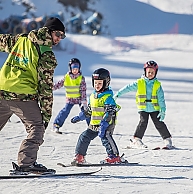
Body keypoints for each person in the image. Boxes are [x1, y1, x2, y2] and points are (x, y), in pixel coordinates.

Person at [0, 17, 66, 173]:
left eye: (62, 36)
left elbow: (2, 40)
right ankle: (26, 164)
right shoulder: (46, 54)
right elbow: (45, 87)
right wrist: (46, 115)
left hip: (2, 91)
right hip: (22, 95)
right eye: (57, 34)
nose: (58, 39)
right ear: (48, 31)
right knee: (36, 127)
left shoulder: (21, 39)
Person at [70, 68, 127, 164]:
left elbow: (110, 112)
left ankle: (114, 156)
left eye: (100, 83)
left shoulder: (108, 98)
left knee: (106, 137)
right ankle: (80, 156)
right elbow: (89, 111)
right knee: (84, 137)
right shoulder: (92, 96)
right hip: (95, 124)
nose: (97, 85)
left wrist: (104, 124)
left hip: (106, 124)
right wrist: (80, 117)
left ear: (106, 83)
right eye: (95, 83)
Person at [114, 60, 172, 149]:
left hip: (154, 108)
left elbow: (161, 98)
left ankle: (167, 139)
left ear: (156, 73)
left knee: (159, 123)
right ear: (145, 71)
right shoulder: (139, 82)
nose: (150, 74)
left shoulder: (157, 84)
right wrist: (118, 93)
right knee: (143, 122)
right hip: (143, 108)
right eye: (149, 72)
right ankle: (137, 140)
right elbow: (128, 88)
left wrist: (163, 110)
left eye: (153, 72)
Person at [53, 58, 90, 134]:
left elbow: (83, 90)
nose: (75, 70)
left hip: (80, 99)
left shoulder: (81, 78)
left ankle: (92, 126)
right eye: (73, 68)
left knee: (86, 112)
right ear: (70, 68)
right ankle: (56, 125)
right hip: (70, 99)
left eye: (77, 68)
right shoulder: (66, 77)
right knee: (65, 111)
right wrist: (51, 88)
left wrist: (84, 101)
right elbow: (58, 84)